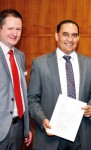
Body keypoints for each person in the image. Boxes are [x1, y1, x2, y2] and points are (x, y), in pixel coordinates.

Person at [28, 19, 91, 150]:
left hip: (81, 136)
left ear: (78, 38)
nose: (70, 39)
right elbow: (32, 99)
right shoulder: (40, 64)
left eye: (74, 35)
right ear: (56, 36)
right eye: (65, 34)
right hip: (50, 135)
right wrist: (42, 120)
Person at [0, 9, 32, 149]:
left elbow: (21, 92)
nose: (15, 33)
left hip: (18, 128)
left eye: (18, 29)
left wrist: (26, 127)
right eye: (10, 28)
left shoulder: (20, 56)